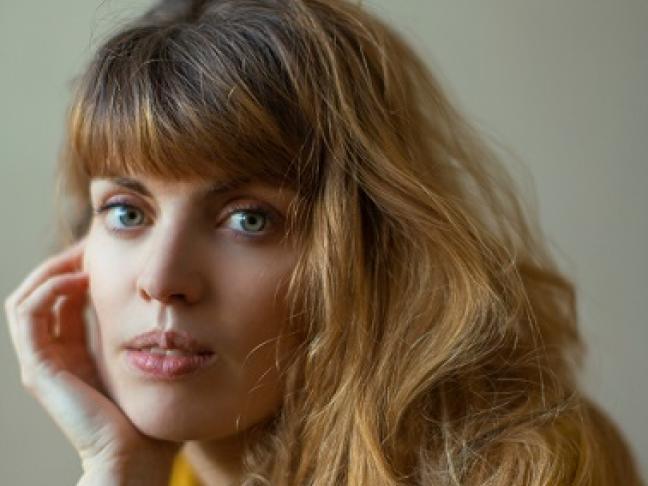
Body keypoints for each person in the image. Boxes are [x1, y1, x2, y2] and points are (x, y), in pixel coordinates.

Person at [4, 0, 643, 485]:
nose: (162, 280)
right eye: (125, 212)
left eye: (249, 220)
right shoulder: (163, 473)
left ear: (378, 246)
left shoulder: (531, 468)